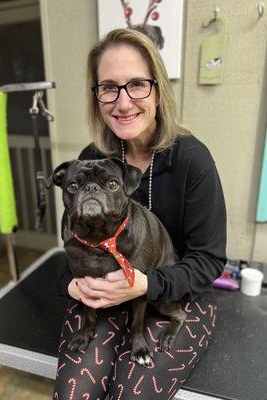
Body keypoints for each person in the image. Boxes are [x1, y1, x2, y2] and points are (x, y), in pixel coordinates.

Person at [53, 28, 226, 400]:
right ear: (97, 96)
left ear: (158, 90)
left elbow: (209, 260)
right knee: (74, 392)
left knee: (132, 393)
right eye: (109, 87)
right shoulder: (89, 161)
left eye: (137, 85)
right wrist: (73, 285)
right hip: (101, 295)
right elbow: (71, 245)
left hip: (176, 294)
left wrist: (146, 284)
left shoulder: (192, 161)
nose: (123, 101)